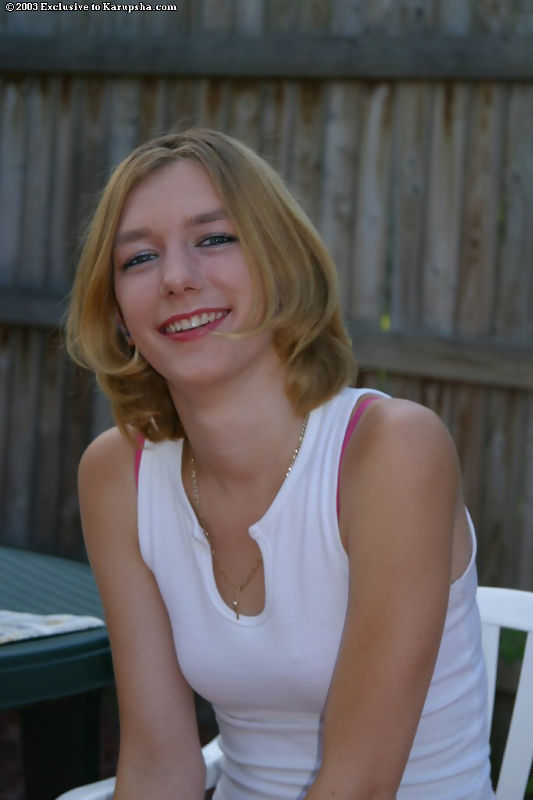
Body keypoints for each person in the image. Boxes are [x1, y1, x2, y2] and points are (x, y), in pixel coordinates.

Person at [66, 128, 494, 800]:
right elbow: (158, 766)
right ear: (119, 313)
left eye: (214, 238)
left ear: (281, 266)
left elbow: (359, 787)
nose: (176, 278)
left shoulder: (391, 451)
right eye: (139, 258)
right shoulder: (118, 473)